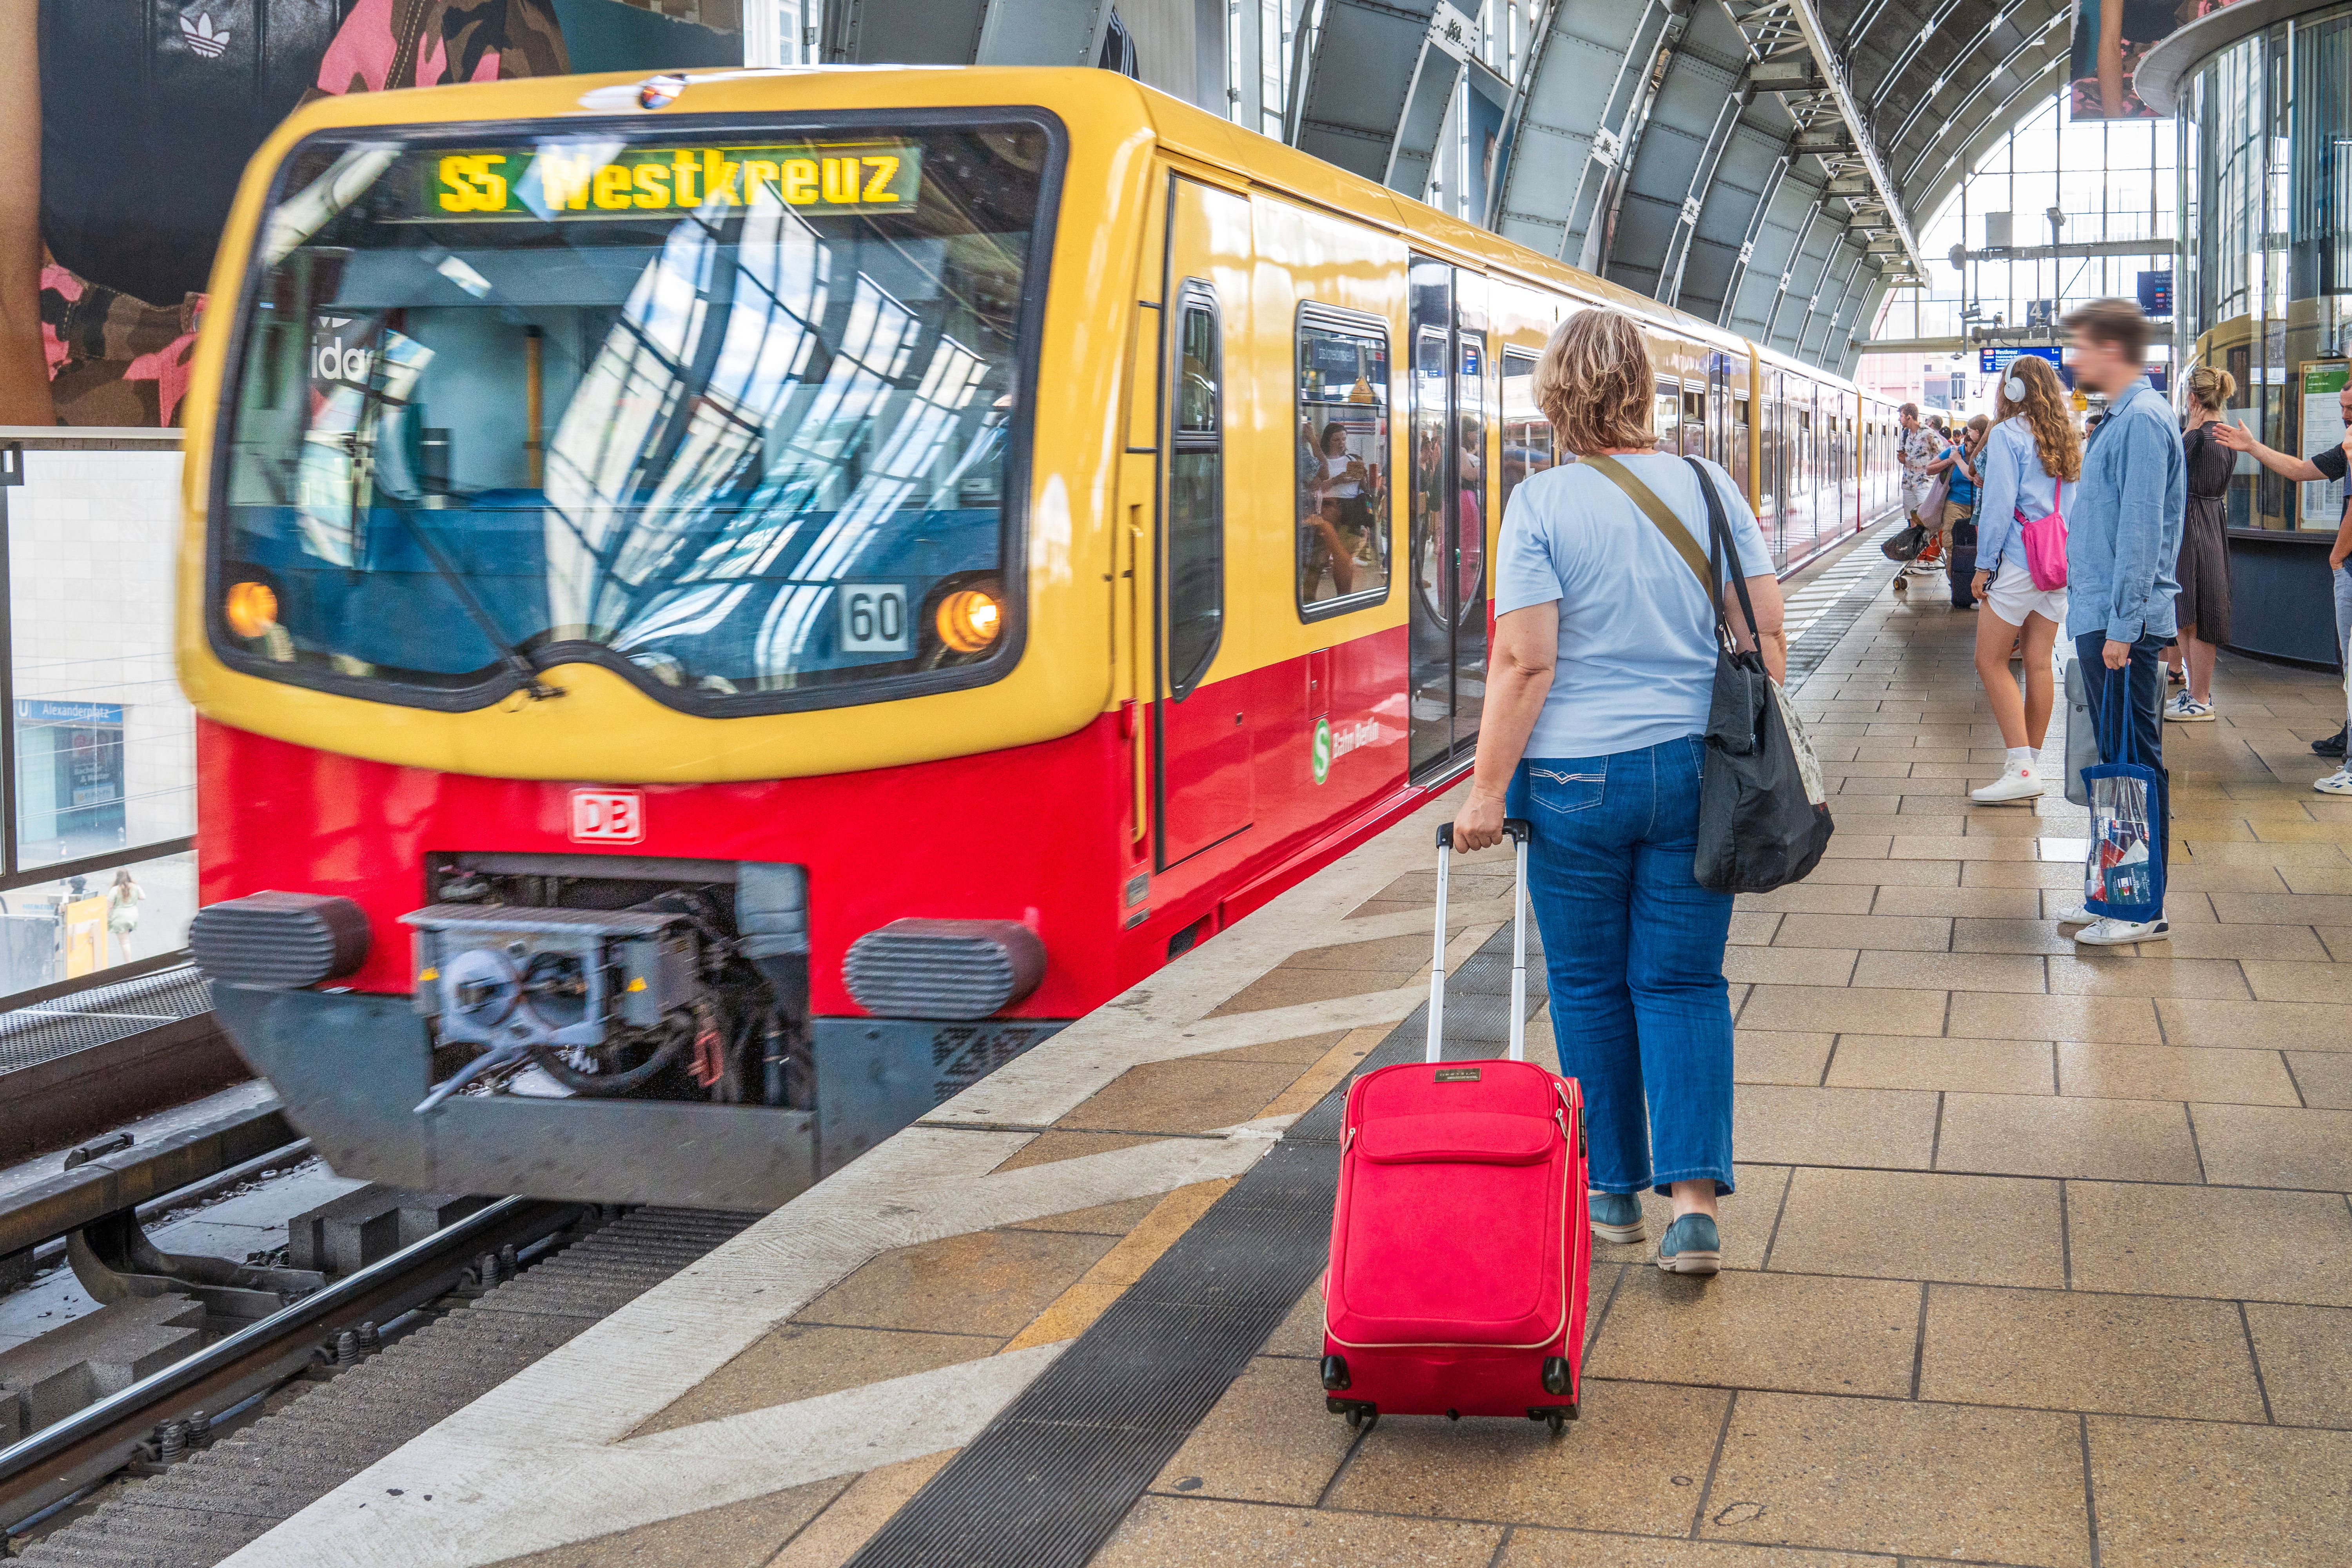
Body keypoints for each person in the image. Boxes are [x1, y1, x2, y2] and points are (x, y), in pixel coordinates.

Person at [1450, 308, 1786, 1279]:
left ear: (1555, 396)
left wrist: (1484, 794)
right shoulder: (1710, 486)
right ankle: (1691, 1209)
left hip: (1574, 784)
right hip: (1695, 769)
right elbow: (1765, 630)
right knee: (1681, 982)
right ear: (1644, 390)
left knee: (1591, 986)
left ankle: (1609, 1190)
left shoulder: (1541, 504)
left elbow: (1525, 663)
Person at [2056, 298, 2184, 945]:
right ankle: (2113, 889)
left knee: (2135, 762)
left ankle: (2141, 906)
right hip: (2106, 615)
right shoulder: (2123, 418)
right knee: (2115, 759)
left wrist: (2121, 629)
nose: (2073, 359)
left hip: (2120, 622)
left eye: (2080, 347)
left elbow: (2140, 536)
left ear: (2112, 349)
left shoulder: (2140, 422)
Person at [2214, 376, 2352, 773]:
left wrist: (2338, 556)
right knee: (2347, 657)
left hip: (2350, 564)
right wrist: (2252, 446)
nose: (2344, 416)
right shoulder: (2346, 447)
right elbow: (2299, 470)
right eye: (2342, 408)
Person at [1968, 359, 2081, 802]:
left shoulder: (2008, 434)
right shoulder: (2068, 436)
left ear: (2012, 389)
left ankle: (2020, 766)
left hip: (2018, 559)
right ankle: (2028, 761)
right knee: (2038, 662)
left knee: (1989, 660)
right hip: (2057, 561)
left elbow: (1997, 507)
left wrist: (1982, 565)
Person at [2167, 367, 2237, 723]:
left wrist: (2188, 431)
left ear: (2193, 399)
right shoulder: (2224, 434)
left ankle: (2200, 696)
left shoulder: (2200, 437)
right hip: (2210, 521)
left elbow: (2169, 469)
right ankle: (2197, 693)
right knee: (2191, 610)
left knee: (2195, 611)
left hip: (2193, 524)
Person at [107, 868, 144, 963]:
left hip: (120, 918)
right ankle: (129, 960)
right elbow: (143, 897)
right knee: (126, 937)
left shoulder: (115, 890)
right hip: (133, 915)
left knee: (124, 942)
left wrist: (105, 917)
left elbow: (109, 907)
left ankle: (128, 961)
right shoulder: (135, 886)